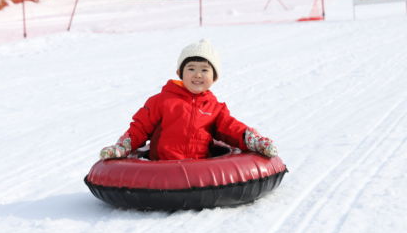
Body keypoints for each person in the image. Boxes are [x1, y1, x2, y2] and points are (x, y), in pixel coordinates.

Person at [99, 38, 278, 160]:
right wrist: (123, 147)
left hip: (199, 169)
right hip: (163, 168)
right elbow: (140, 128)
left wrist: (252, 140)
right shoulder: (161, 101)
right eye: (191, 69)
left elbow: (231, 128)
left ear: (214, 77)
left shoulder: (215, 108)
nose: (197, 75)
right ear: (180, 73)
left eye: (205, 70)